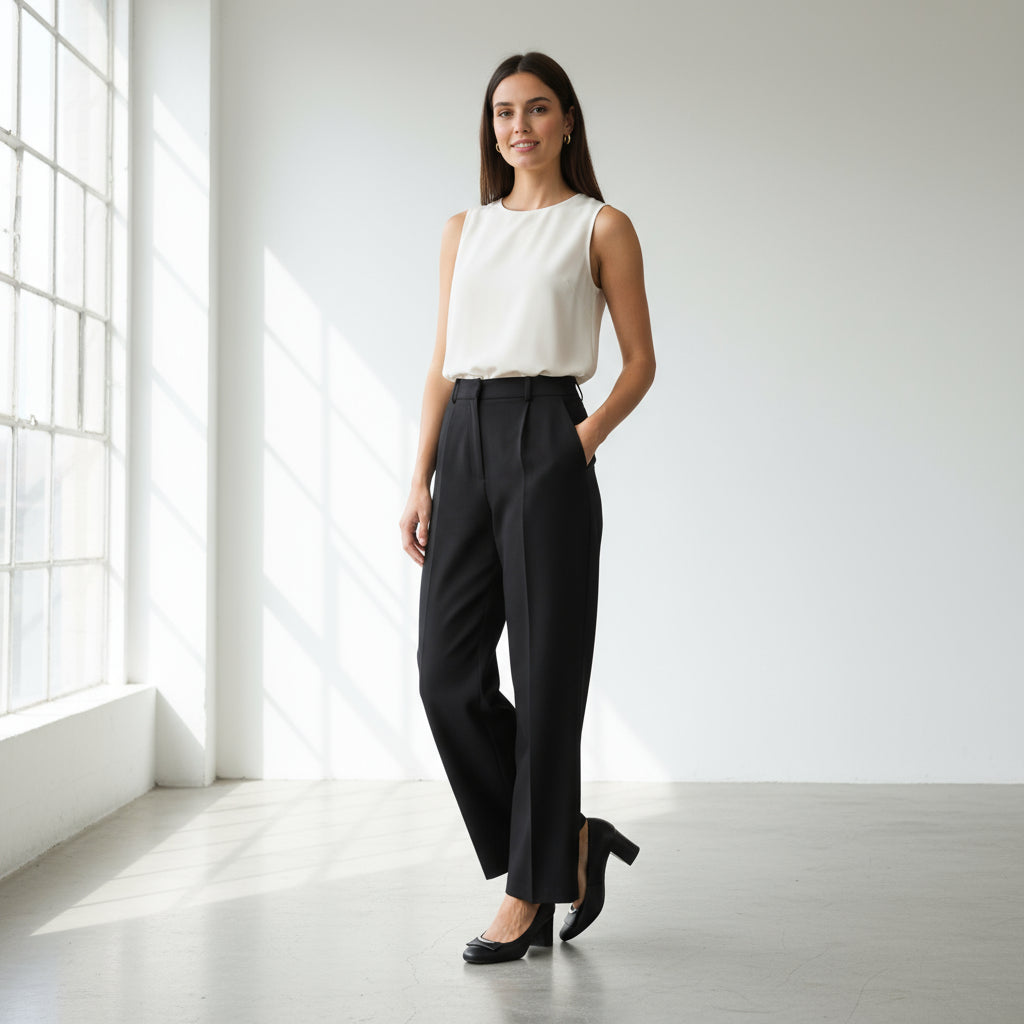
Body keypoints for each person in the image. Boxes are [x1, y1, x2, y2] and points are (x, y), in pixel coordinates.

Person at [399, 52, 656, 965]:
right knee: (446, 676)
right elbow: (442, 356)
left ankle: (525, 894)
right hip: (466, 436)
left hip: (548, 430)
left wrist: (573, 448)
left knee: (548, 682)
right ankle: (567, 841)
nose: (521, 126)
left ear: (568, 121)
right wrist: (421, 475)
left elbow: (638, 366)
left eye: (538, 109)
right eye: (505, 111)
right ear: (492, 128)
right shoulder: (462, 228)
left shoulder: (601, 226)